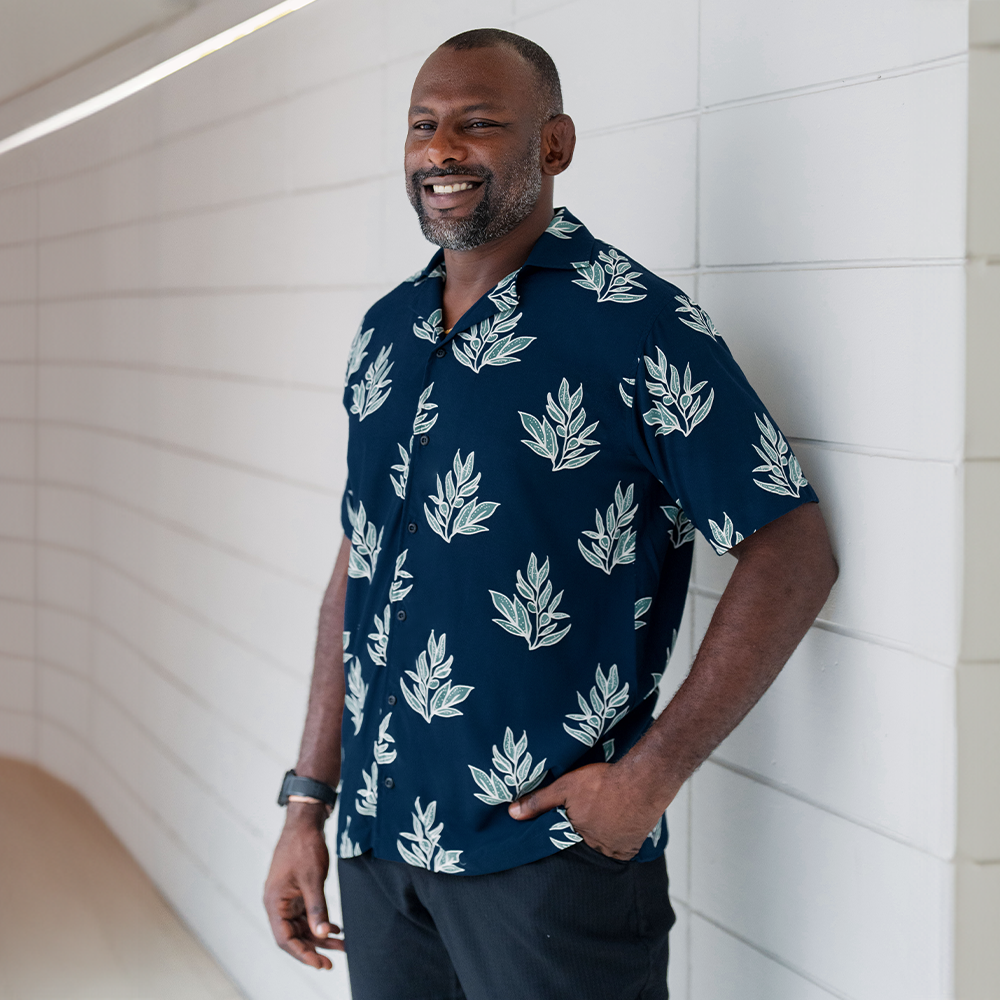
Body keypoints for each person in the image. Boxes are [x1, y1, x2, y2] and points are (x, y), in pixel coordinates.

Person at [263, 27, 837, 1000]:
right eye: (423, 126)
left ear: (554, 145)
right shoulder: (385, 335)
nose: (441, 150)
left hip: (542, 862)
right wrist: (306, 802)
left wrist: (644, 781)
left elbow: (792, 547)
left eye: (477, 125)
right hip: (376, 842)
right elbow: (357, 566)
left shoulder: (633, 324)